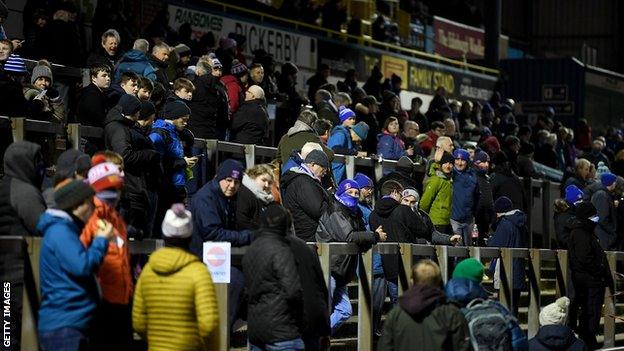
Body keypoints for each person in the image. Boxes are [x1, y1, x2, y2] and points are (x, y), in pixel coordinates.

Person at [37, 179, 114, 350]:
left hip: (72, 322)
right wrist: (101, 241)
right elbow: (82, 266)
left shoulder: (67, 230)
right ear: (78, 206)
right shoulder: (60, 232)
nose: (94, 209)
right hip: (65, 325)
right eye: (90, 204)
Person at [133, 204, 219, 351]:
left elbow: (139, 322)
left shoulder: (148, 271)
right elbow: (209, 324)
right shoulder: (198, 272)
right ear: (190, 236)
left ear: (164, 235)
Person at [317, 179, 386, 334]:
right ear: (341, 193)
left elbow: (361, 240)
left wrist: (371, 237)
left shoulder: (355, 214)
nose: (354, 195)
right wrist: (374, 235)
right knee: (323, 311)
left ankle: (319, 338)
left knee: (345, 311)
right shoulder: (335, 210)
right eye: (350, 192)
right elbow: (348, 236)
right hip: (329, 268)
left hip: (342, 271)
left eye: (356, 193)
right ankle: (314, 341)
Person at [189, 159, 251, 327]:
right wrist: (247, 236)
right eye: (228, 180)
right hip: (200, 257)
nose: (232, 185)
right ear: (219, 177)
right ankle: (220, 332)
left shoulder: (227, 197)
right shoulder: (205, 198)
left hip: (216, 255)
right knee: (236, 279)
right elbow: (213, 234)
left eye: (237, 182)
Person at [79, 162, 132, 351]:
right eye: (111, 189)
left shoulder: (115, 218)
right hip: (101, 303)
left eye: (117, 189)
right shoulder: (88, 218)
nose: (116, 194)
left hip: (121, 300)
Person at [244, 204, 305, 350]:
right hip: (282, 329)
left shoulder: (251, 249)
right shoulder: (281, 250)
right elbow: (293, 290)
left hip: (256, 327)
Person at [379, 260, 471, 351]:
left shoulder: (395, 315)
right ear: (439, 281)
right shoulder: (452, 314)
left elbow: (385, 347)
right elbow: (463, 346)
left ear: (412, 281)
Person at [104, 94, 161, 238]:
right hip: (130, 187)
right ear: (134, 112)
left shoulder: (125, 126)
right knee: (133, 235)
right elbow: (125, 155)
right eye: (137, 113)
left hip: (134, 186)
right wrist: (150, 154)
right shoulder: (119, 128)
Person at [568, 201, 612, 350]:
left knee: (590, 317)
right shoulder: (581, 233)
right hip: (589, 283)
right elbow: (585, 258)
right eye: (593, 215)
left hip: (590, 282)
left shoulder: (585, 231)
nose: (596, 218)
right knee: (589, 317)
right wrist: (599, 272)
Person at [149, 100, 196, 210]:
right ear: (174, 116)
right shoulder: (159, 134)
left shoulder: (175, 132)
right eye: (183, 120)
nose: (185, 123)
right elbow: (157, 162)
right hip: (166, 187)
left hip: (177, 184)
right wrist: (183, 162)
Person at [487, 196, 528, 316]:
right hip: (518, 270)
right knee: (514, 306)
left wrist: (489, 240)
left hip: (505, 269)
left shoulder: (504, 223)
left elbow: (496, 245)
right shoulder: (521, 223)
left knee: (504, 306)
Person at [281, 150, 332, 242]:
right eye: (323, 167)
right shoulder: (304, 182)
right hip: (307, 236)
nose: (325, 172)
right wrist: (330, 203)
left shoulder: (304, 180)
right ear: (312, 164)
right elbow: (318, 209)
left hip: (303, 234)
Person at [0, 141, 46, 236]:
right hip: (20, 248)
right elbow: (43, 226)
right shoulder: (24, 191)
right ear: (25, 163)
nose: (41, 165)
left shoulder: (7, 184)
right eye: (36, 160)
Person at [188, 58, 229, 140]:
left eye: (220, 69)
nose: (218, 72)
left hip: (209, 127)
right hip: (210, 127)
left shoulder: (220, 86)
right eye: (215, 69)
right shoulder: (198, 85)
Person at [327, 106, 365, 182]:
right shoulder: (340, 133)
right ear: (343, 120)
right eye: (350, 119)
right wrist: (355, 152)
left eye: (354, 119)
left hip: (342, 168)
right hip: (336, 169)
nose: (353, 121)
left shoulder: (347, 132)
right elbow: (335, 149)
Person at [420, 152, 454, 233]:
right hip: (435, 222)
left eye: (450, 163)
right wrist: (424, 218)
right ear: (440, 165)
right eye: (445, 163)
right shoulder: (436, 180)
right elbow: (425, 202)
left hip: (446, 221)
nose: (448, 166)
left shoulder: (449, 180)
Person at [451, 149, 478, 245]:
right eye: (457, 159)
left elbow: (477, 195)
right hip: (454, 218)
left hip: (469, 219)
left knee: (469, 250)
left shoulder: (473, 175)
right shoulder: (450, 174)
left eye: (462, 160)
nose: (459, 163)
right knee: (457, 250)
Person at [237, 164, 275, 230]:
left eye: (269, 182)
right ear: (253, 177)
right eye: (263, 180)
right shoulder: (246, 194)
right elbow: (242, 220)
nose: (266, 185)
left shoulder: (267, 199)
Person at [585, 172, 618, 250]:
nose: (616, 183)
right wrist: (613, 230)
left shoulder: (602, 193)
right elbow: (602, 218)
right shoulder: (602, 195)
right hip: (602, 235)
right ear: (611, 183)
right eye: (615, 181)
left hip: (601, 233)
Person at [554, 185, 584, 249]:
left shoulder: (573, 212)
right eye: (579, 200)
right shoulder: (564, 215)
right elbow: (563, 237)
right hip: (569, 251)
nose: (581, 202)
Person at [474, 151, 494, 242]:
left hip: (485, 220)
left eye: (487, 162)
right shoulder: (472, 178)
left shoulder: (488, 179)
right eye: (483, 162)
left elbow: (489, 200)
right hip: (475, 219)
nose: (486, 165)